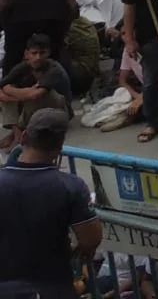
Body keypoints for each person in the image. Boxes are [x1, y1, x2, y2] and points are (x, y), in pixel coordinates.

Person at [0, 110, 100, 299]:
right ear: (60, 145)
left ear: (23, 136)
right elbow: (90, 239)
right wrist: (78, 253)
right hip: (52, 288)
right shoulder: (70, 186)